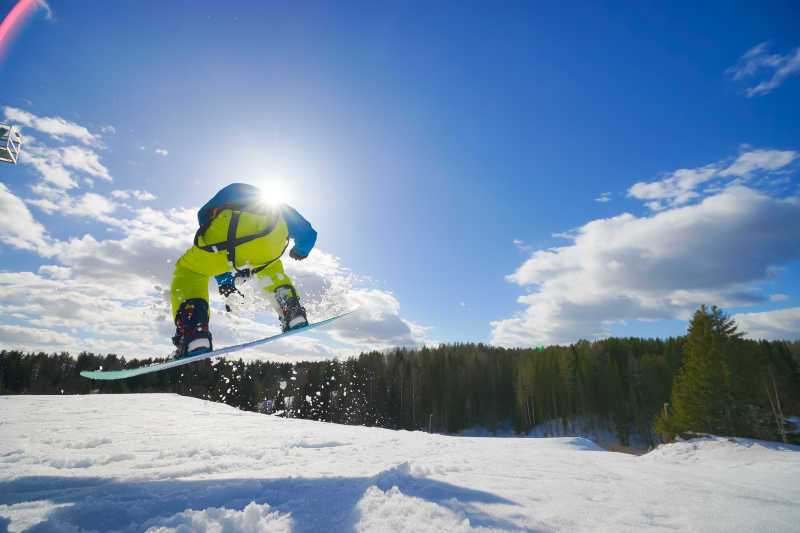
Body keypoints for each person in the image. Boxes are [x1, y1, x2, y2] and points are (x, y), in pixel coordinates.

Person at [170, 183, 316, 358]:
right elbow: (307, 231)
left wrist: (226, 281)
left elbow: (207, 232)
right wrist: (301, 249)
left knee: (190, 271)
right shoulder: (273, 204)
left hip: (225, 232)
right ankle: (292, 311)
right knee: (271, 267)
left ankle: (194, 331)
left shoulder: (222, 198)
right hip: (269, 238)